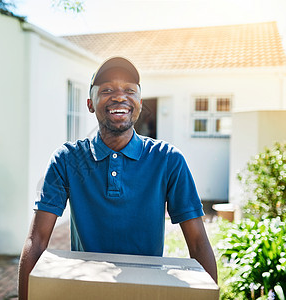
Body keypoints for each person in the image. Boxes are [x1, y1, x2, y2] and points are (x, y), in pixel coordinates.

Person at [18, 57, 217, 299]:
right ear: (91, 104)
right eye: (107, 90)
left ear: (139, 103)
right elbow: (36, 240)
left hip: (146, 292)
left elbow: (197, 243)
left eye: (129, 90)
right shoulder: (67, 160)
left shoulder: (168, 160)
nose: (120, 97)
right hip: (84, 292)